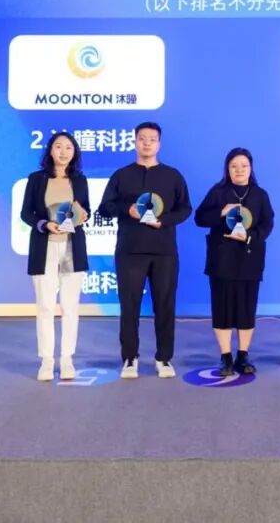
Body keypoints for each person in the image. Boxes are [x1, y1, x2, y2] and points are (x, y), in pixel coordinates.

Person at [98, 122, 192, 379]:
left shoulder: (173, 176)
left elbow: (185, 209)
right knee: (129, 306)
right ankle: (130, 357)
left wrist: (165, 221)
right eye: (142, 138)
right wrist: (126, 210)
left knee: (165, 305)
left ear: (159, 143)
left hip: (164, 251)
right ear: (135, 142)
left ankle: (164, 358)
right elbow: (105, 208)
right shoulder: (121, 175)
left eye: (152, 139)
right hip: (130, 250)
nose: (147, 143)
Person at [194, 148, 275, 376]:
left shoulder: (260, 195)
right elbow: (200, 218)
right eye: (234, 166)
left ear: (251, 168)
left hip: (250, 258)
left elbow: (267, 225)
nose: (239, 170)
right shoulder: (218, 192)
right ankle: (225, 357)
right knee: (222, 308)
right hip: (221, 259)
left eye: (244, 166)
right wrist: (221, 212)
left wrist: (250, 236)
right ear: (227, 169)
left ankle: (243, 355)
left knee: (246, 308)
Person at [19, 132, 91, 382]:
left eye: (68, 147)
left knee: (70, 308)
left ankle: (67, 359)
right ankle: (47, 361)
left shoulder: (79, 180)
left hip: (72, 248)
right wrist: (44, 224)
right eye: (58, 146)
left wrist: (82, 215)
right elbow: (26, 213)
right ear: (50, 150)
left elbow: (86, 210)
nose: (63, 152)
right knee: (45, 307)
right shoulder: (37, 179)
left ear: (74, 152)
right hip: (44, 248)